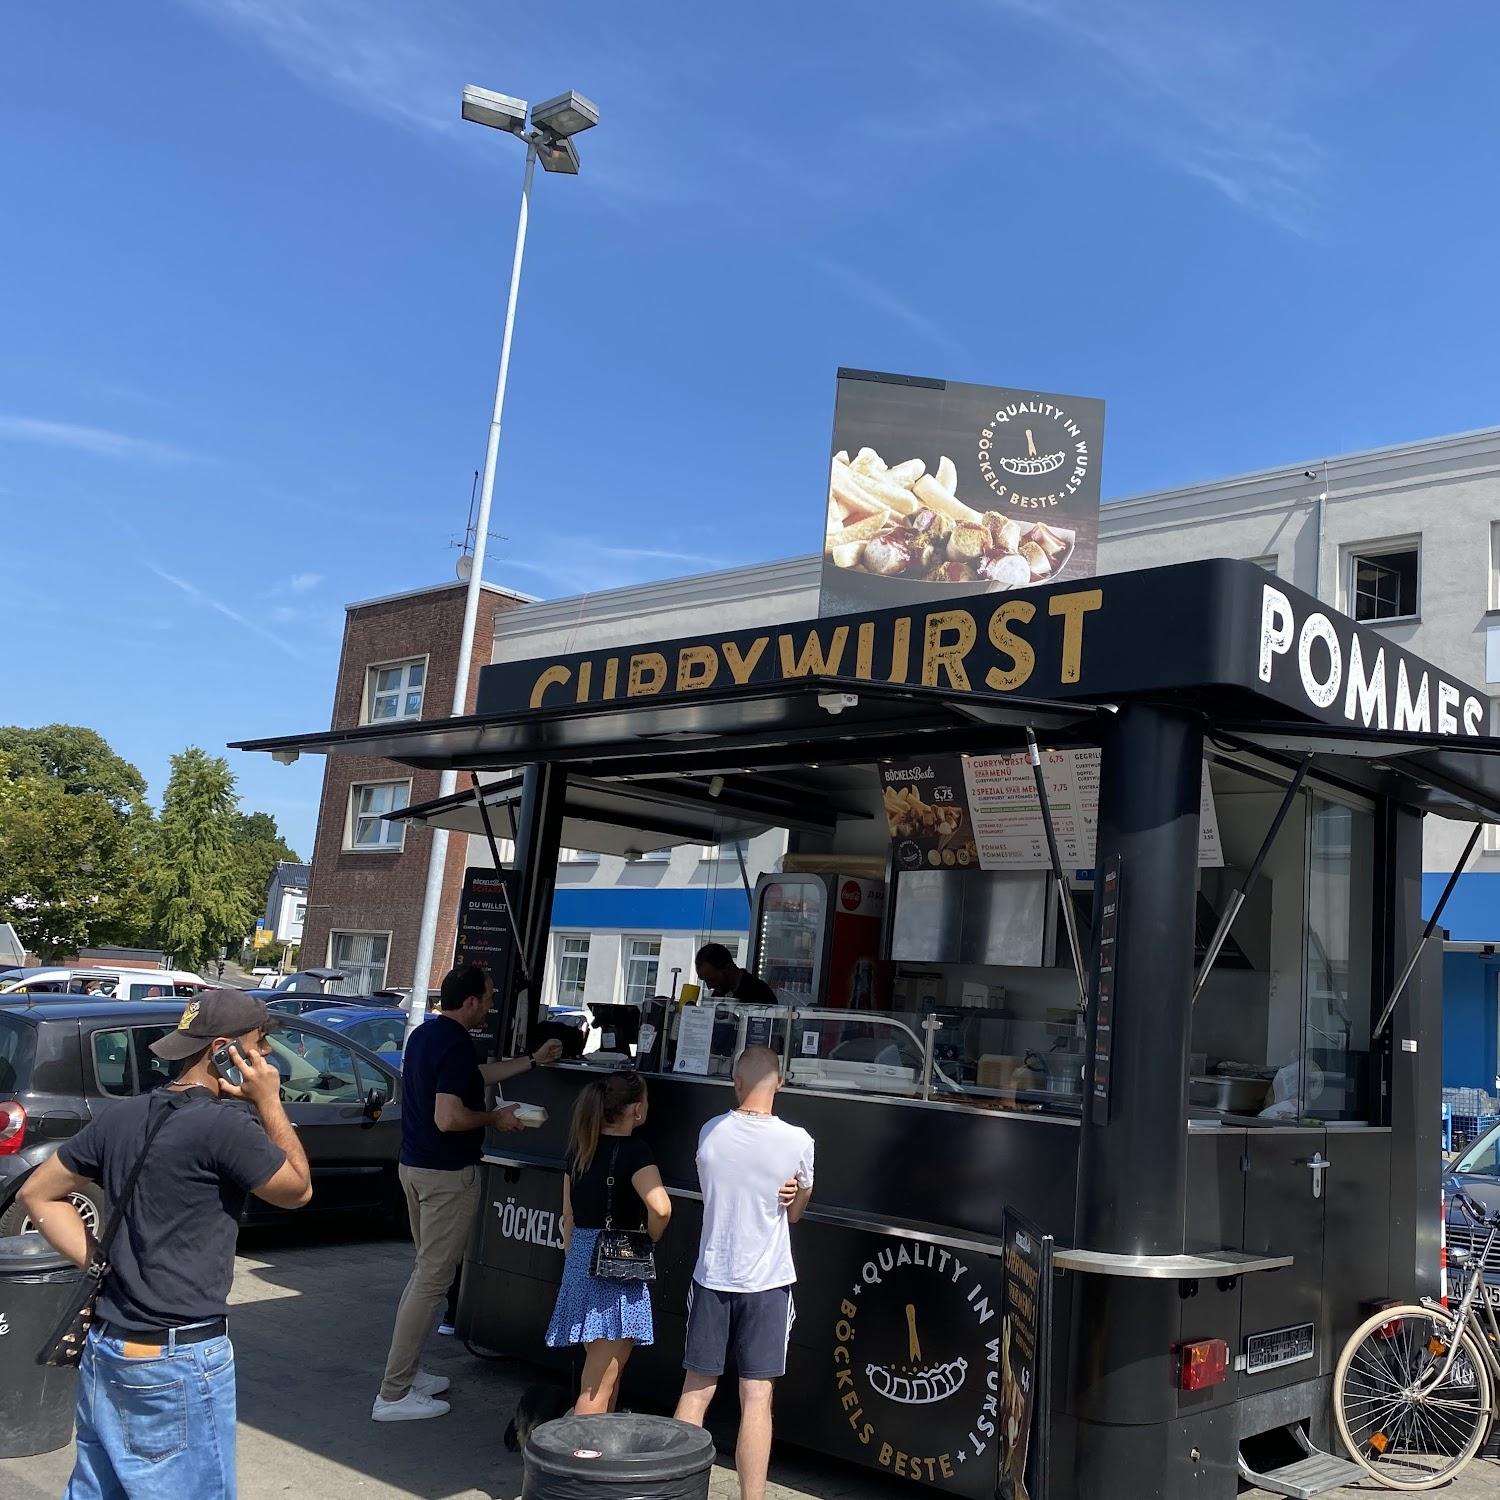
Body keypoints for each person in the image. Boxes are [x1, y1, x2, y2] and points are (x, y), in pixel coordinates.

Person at [18, 989, 313, 1500]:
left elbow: (36, 1193)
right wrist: (270, 1102)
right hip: (176, 1359)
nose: (268, 1058)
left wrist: (98, 1263)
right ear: (225, 1050)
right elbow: (298, 1190)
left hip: (107, 1349)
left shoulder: (120, 1116)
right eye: (261, 1045)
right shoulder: (223, 1126)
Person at [374, 963, 563, 1422]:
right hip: (446, 1175)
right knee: (431, 1281)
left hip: (415, 1168)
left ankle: (408, 1374)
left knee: (425, 1276)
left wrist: (532, 1061)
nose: (493, 1004)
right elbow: (449, 1116)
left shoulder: (426, 1035)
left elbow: (474, 1075)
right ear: (473, 1001)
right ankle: (393, 1394)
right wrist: (495, 1120)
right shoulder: (455, 1043)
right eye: (491, 996)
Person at [675, 1047, 814, 1500]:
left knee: (696, 1390)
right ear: (780, 1083)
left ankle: (675, 1491)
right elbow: (795, 1214)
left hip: (713, 1274)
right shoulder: (798, 1141)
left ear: (735, 1082)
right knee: (757, 1398)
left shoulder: (710, 1132)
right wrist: (794, 1193)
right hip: (769, 1282)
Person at [545, 1072, 671, 1414]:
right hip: (616, 1271)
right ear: (636, 1109)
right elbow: (661, 1207)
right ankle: (580, 1458)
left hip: (581, 1261)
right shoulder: (635, 1151)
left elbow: (567, 1218)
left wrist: (576, 1261)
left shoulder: (580, 1149)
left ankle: (596, 1450)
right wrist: (652, 1236)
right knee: (598, 1385)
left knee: (604, 1374)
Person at [695, 943, 777, 1007]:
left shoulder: (759, 992)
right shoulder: (718, 994)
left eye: (712, 980)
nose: (709, 986)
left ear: (728, 968)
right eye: (705, 980)